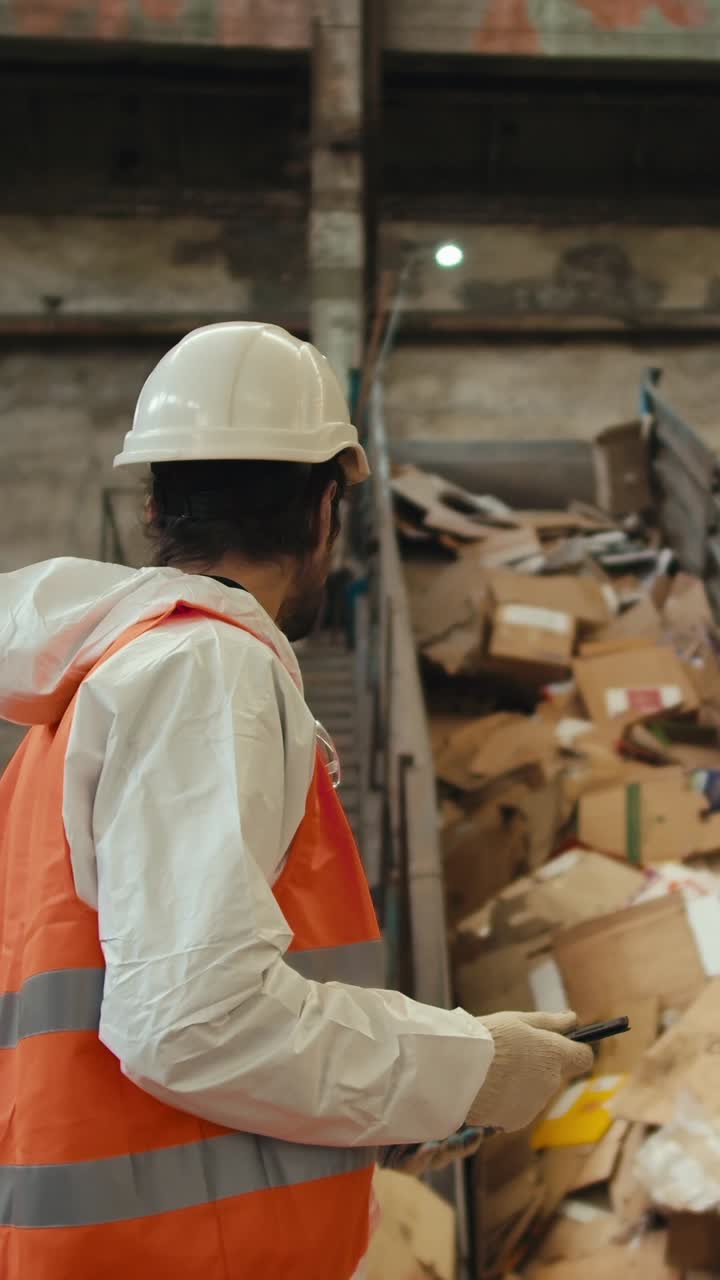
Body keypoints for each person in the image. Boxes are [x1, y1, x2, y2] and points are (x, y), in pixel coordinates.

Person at [0, 323, 592, 1280]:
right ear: (327, 508)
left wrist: (387, 1117)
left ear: (152, 501)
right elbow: (191, 1023)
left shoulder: (82, 696)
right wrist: (460, 1064)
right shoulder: (205, 672)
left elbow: (137, 1024)